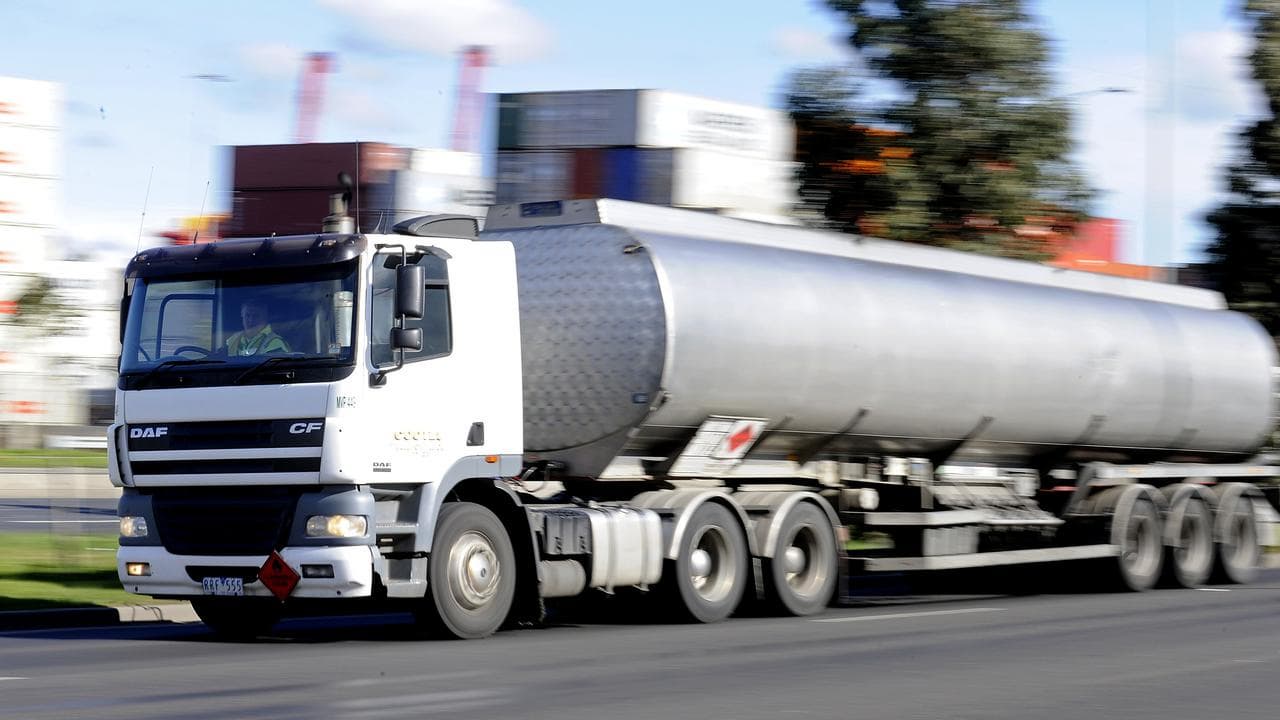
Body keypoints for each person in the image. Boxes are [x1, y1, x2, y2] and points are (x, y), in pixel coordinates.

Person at [226, 297, 291, 356]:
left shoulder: (276, 343)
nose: (250, 320)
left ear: (266, 318)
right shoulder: (232, 340)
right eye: (247, 315)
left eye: (256, 316)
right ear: (242, 315)